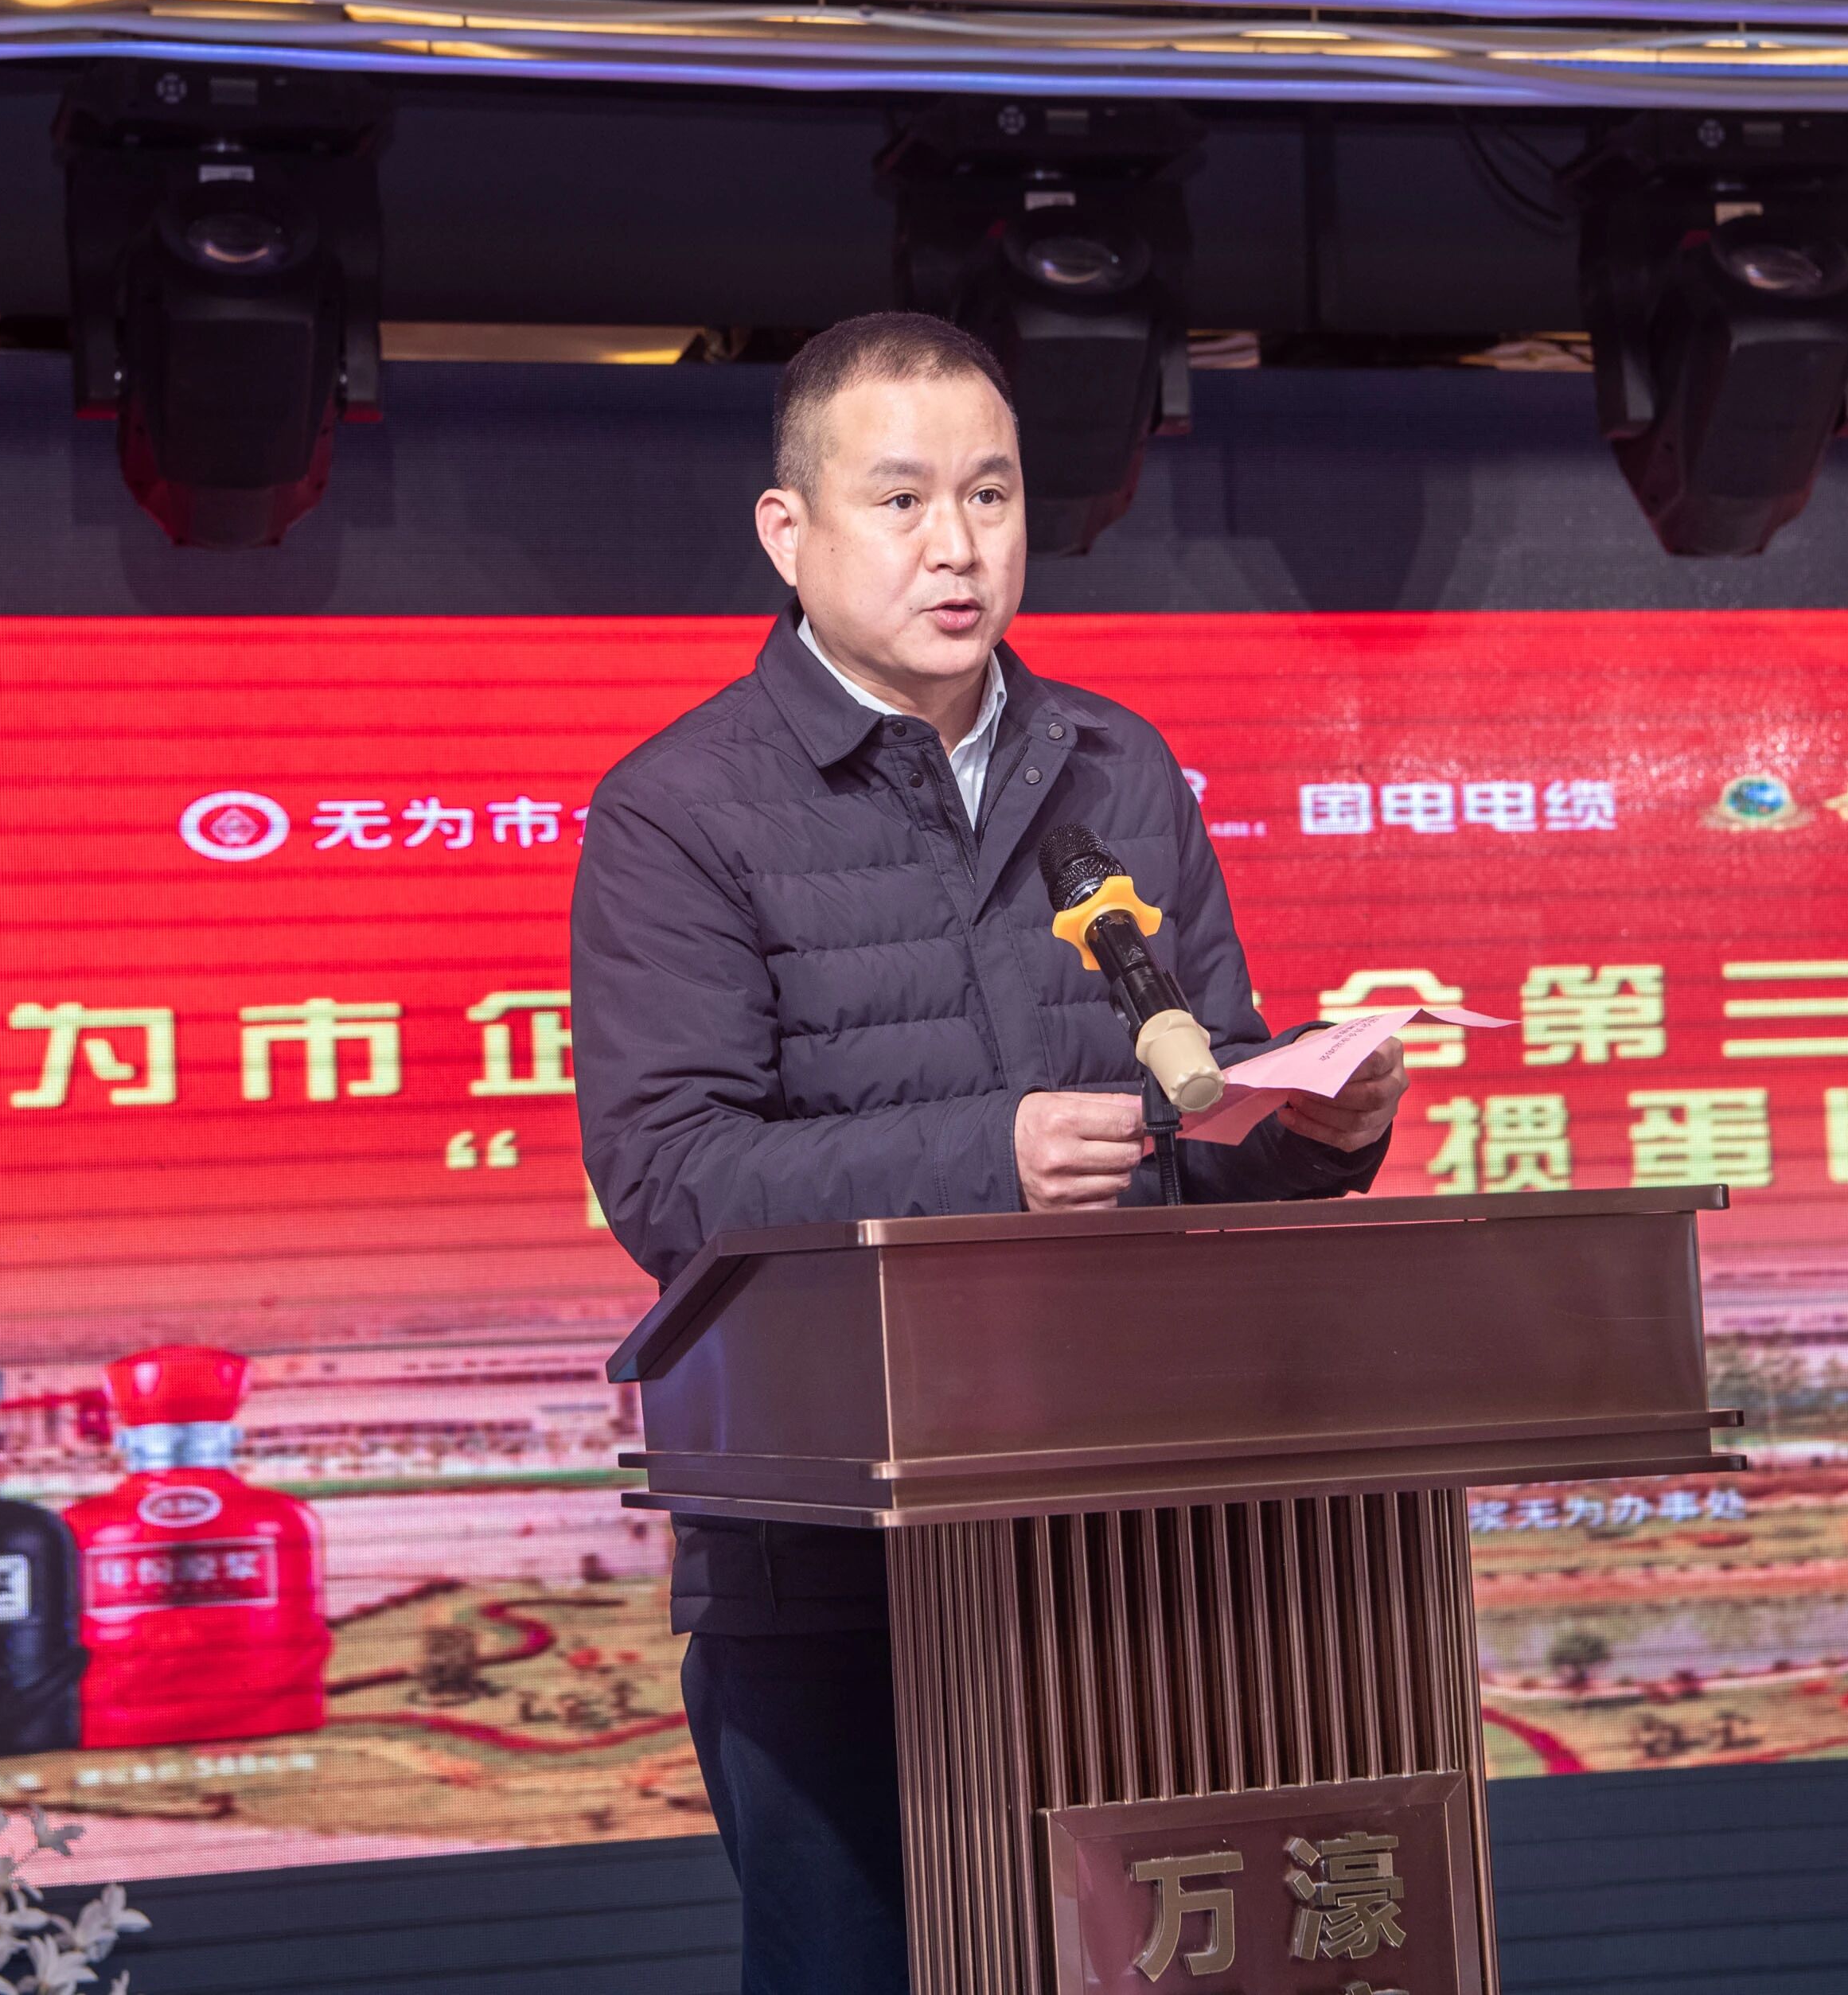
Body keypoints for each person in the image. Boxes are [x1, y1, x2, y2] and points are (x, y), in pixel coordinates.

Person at [570, 310, 1406, 1993]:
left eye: (991, 495)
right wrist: (986, 1157)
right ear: (788, 531)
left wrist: (1304, 1133)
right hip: (835, 1560)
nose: (956, 546)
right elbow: (669, 1177)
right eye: (900, 501)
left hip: (1130, 1536)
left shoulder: (1117, 765)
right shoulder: (680, 808)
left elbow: (1184, 1122)